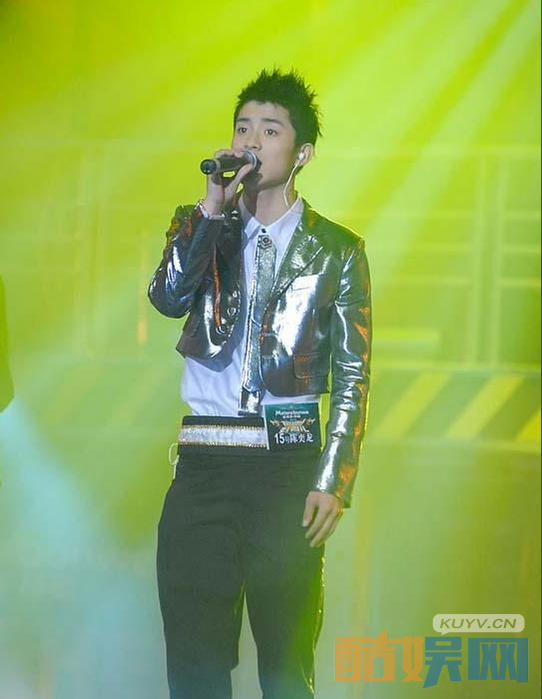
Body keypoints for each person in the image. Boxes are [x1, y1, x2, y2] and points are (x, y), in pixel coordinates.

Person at [148, 68, 371, 699]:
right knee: (195, 665)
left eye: (269, 131)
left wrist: (334, 478)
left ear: (302, 153)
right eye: (242, 127)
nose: (251, 141)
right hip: (203, 466)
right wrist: (210, 211)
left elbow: (353, 373)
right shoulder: (201, 225)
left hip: (286, 471)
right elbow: (167, 298)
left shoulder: (337, 250)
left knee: (284, 668)